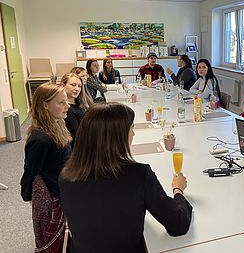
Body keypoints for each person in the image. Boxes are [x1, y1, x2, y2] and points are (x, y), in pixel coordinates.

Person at [59, 103, 192, 252]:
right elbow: (178, 224)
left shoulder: (66, 175)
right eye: (131, 129)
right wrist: (178, 190)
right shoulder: (139, 175)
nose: (133, 134)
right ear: (118, 136)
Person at [20, 82, 72, 252]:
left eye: (66, 101)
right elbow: (30, 171)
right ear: (45, 105)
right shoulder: (41, 139)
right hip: (52, 196)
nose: (67, 105)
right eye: (61, 102)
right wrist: (28, 196)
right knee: (53, 243)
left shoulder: (57, 125)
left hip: (62, 188)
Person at [61, 73, 90, 144]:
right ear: (63, 86)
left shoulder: (79, 104)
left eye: (79, 86)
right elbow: (77, 135)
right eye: (73, 85)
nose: (77, 89)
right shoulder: (67, 109)